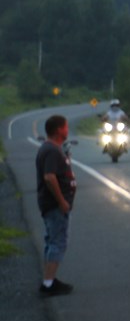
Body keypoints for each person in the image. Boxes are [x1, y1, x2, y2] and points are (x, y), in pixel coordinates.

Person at [36, 114, 77, 297]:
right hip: (54, 206)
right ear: (59, 129)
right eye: (66, 127)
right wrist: (62, 201)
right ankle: (48, 284)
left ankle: (49, 279)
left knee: (52, 241)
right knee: (57, 243)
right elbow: (49, 177)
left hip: (52, 205)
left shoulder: (53, 149)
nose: (67, 130)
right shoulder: (51, 150)